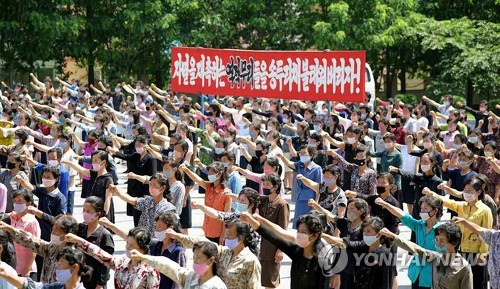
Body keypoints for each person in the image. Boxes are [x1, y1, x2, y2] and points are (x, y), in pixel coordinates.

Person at [423, 179, 493, 289]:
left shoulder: (485, 210)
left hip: (477, 254)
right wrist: (431, 193)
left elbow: (487, 234)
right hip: (462, 251)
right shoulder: (461, 206)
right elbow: (446, 202)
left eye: (469, 190)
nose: (466, 193)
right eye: (465, 190)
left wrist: (483, 255)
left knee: (479, 283)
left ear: (478, 192)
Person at [165, 218, 261, 289]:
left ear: (242, 237)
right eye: (226, 235)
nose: (227, 239)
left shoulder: (250, 261)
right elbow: (203, 243)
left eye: (230, 235)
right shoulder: (224, 252)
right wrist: (178, 236)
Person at [375, 195, 443, 289]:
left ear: (435, 211)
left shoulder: (443, 230)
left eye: (425, 209)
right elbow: (402, 214)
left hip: (433, 276)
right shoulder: (419, 225)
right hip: (416, 274)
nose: (422, 211)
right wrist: (385, 204)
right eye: (421, 208)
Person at [378, 222, 473, 289]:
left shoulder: (464, 268)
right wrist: (393, 237)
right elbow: (415, 248)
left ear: (454, 243)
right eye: (436, 240)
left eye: (442, 241)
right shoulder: (436, 258)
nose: (438, 244)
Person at [64, 227, 161, 289]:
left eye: (132, 245)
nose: (127, 247)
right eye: (127, 243)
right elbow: (101, 255)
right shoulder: (123, 263)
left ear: (143, 249)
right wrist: (79, 241)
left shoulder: (150, 271)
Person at [0, 215, 79, 283]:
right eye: (53, 228)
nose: (53, 232)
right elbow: (32, 241)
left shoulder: (73, 256)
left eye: (57, 229)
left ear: (68, 233)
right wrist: (11, 229)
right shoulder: (51, 248)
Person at [129, 241, 227, 289]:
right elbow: (169, 266)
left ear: (210, 261)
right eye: (194, 258)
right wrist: (144, 257)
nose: (195, 262)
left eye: (198, 258)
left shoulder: (217, 286)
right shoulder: (191, 277)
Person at [180, 162, 232, 244]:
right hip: (207, 230)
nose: (209, 174)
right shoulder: (208, 187)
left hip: (218, 233)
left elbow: (227, 217)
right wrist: (186, 170)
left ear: (220, 174)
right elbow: (197, 179)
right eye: (209, 172)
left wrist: (223, 235)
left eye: (212, 172)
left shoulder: (226, 193)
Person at [109, 173, 176, 236]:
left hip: (157, 243)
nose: (151, 187)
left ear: (162, 188)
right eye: (150, 184)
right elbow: (132, 200)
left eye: (154, 185)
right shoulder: (147, 201)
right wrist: (118, 192)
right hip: (143, 241)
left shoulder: (168, 208)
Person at [0, 247, 92, 289]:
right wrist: (6, 275)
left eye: (61, 263)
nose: (57, 268)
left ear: (74, 268)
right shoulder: (56, 287)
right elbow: (32, 286)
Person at [278, 144, 322, 227]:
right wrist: (282, 157)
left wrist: (316, 203)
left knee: (308, 223)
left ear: (311, 155)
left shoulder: (317, 169)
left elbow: (319, 188)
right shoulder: (300, 165)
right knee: (298, 221)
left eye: (304, 153)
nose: (302, 155)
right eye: (300, 153)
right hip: (299, 197)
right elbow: (290, 164)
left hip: (310, 200)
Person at [76, 196, 114, 289]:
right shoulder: (80, 229)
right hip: (80, 280)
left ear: (97, 214)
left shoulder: (104, 235)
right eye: (84, 210)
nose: (85, 213)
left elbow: (106, 264)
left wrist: (100, 284)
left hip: (95, 283)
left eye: (88, 211)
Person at [453, 217, 500, 289]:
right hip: (494, 284)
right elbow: (478, 229)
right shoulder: (494, 236)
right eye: (499, 218)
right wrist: (464, 222)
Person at [9, 190, 40, 279]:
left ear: (28, 203)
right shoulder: (13, 217)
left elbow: (34, 248)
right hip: (15, 268)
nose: (15, 204)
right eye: (14, 201)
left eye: (19, 201)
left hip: (27, 271)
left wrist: (27, 270)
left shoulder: (31, 222)